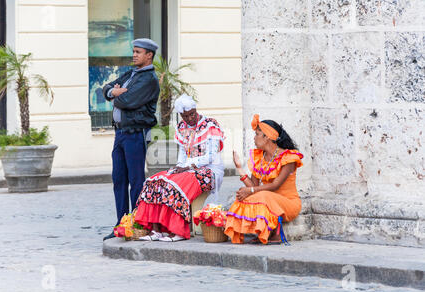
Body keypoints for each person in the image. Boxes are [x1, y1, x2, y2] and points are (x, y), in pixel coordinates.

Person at [133, 94, 225, 242]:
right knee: (155, 181)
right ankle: (157, 230)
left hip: (210, 171)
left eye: (192, 114)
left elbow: (211, 156)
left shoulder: (210, 124)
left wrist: (187, 166)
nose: (189, 119)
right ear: (181, 115)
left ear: (196, 109)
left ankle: (177, 231)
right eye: (185, 116)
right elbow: (183, 154)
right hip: (188, 169)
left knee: (174, 186)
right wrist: (179, 167)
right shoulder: (181, 127)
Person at [102, 38, 160, 241]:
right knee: (118, 179)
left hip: (135, 133)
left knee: (136, 181)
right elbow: (106, 88)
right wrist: (113, 91)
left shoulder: (148, 79)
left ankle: (136, 223)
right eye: (134, 51)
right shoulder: (131, 73)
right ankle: (121, 223)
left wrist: (115, 95)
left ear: (149, 55)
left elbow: (127, 101)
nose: (134, 55)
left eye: (138, 52)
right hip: (120, 134)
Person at [224, 114, 304, 245]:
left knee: (263, 195)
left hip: (289, 203)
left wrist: (249, 190)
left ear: (267, 137)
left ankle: (274, 232)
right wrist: (239, 168)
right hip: (267, 198)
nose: (254, 138)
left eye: (257, 134)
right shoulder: (258, 158)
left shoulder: (288, 157)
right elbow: (253, 186)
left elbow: (275, 186)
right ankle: (262, 230)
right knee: (242, 198)